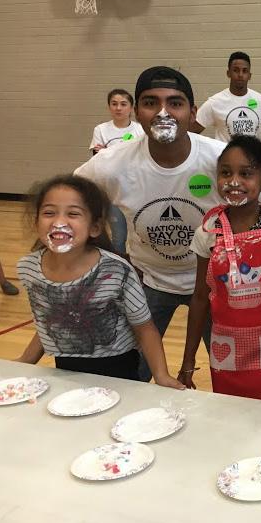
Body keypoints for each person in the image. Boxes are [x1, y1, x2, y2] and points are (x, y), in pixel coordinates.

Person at [75, 66, 228, 381]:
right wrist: (107, 257)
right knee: (133, 373)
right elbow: (71, 199)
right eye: (150, 102)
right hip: (148, 281)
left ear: (193, 113)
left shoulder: (221, 158)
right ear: (137, 112)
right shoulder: (112, 163)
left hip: (213, 283)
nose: (163, 113)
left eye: (175, 103)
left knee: (229, 372)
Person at [16, 173, 183, 389]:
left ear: (95, 227)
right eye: (49, 213)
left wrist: (161, 375)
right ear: (36, 222)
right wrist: (25, 361)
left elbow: (145, 329)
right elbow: (48, 322)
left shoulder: (116, 270)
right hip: (65, 369)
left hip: (118, 368)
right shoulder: (28, 268)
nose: (59, 222)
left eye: (73, 213)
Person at [178, 136, 261, 404]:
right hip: (226, 353)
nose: (234, 181)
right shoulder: (207, 233)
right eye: (226, 173)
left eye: (245, 174)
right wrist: (188, 360)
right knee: (231, 418)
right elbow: (200, 299)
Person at [192, 51, 261, 213]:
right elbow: (191, 132)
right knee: (228, 211)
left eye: (244, 71)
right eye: (236, 70)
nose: (240, 75)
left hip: (253, 165)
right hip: (227, 169)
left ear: (250, 75)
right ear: (228, 73)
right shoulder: (215, 102)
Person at [90, 88, 144, 254]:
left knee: (138, 234)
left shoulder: (140, 129)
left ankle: (138, 264)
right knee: (119, 235)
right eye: (114, 104)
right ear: (109, 107)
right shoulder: (101, 129)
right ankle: (119, 263)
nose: (118, 108)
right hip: (112, 190)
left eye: (123, 104)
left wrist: (108, 151)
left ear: (131, 108)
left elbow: (143, 157)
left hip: (135, 188)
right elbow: (98, 158)